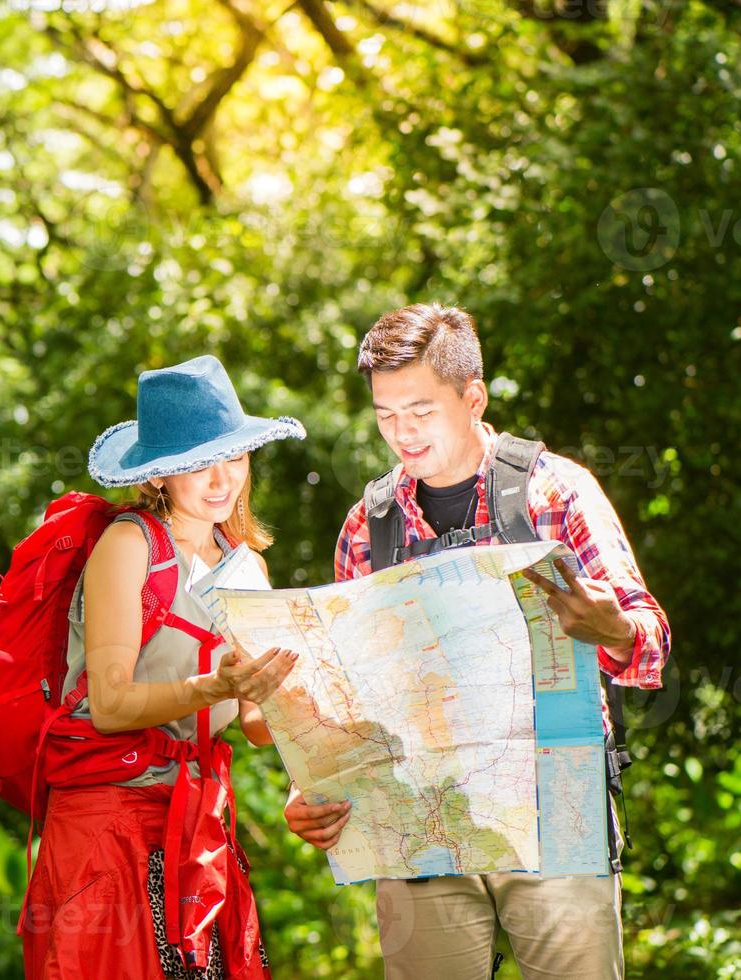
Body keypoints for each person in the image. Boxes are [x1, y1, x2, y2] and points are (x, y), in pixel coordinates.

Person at [283, 304, 671, 979]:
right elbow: (343, 690)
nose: (401, 432)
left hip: (557, 810)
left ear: (472, 398)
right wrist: (309, 782)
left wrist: (609, 627)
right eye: (384, 414)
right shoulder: (362, 528)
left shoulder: (557, 491)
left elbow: (649, 642)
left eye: (420, 410)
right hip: (417, 823)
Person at [23, 354, 304, 979]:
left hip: (200, 825)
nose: (220, 480)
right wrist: (215, 685)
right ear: (158, 476)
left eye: (233, 456)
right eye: (196, 464)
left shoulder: (248, 568)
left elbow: (257, 724)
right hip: (108, 822)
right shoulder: (129, 548)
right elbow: (114, 704)